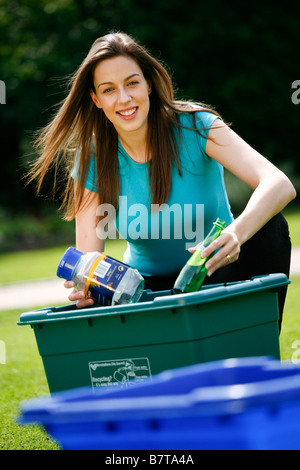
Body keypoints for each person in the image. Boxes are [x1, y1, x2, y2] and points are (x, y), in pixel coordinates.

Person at [27, 32, 296, 331]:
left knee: (270, 229)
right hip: (147, 292)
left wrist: (236, 234)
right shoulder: (93, 157)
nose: (124, 98)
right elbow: (90, 258)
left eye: (132, 83)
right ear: (96, 99)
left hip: (217, 271)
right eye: (109, 89)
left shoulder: (196, 126)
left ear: (149, 84)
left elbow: (279, 183)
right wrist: (88, 288)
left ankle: (258, 345)